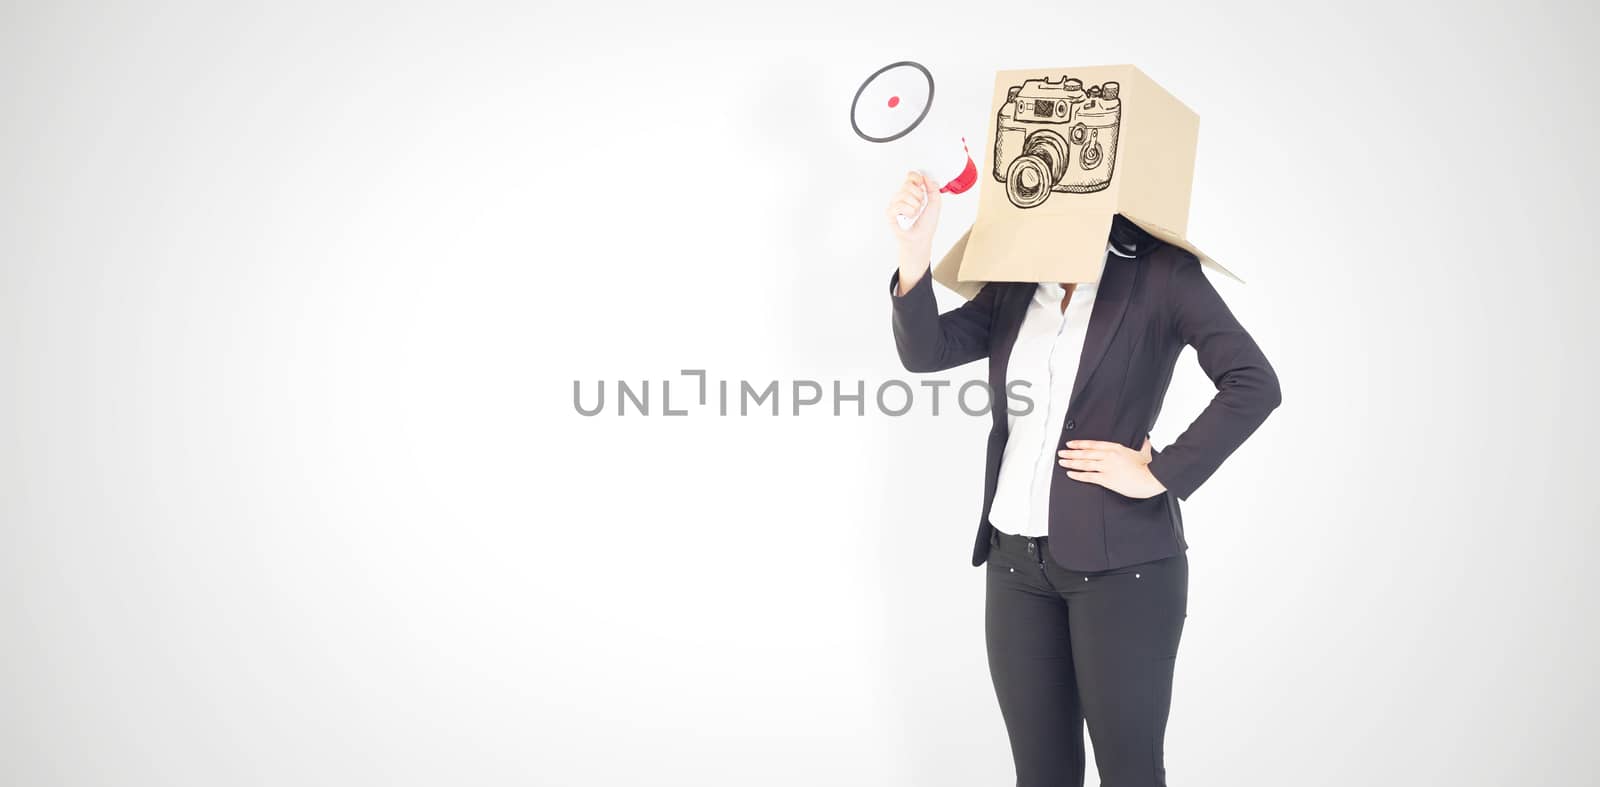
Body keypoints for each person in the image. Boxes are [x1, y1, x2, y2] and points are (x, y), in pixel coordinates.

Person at [884, 171, 1281, 786]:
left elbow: (1254, 382)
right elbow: (927, 351)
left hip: (1124, 569)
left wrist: (1162, 473)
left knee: (1130, 773)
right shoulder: (1018, 279)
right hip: (1014, 566)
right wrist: (915, 252)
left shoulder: (1161, 274)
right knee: (1041, 775)